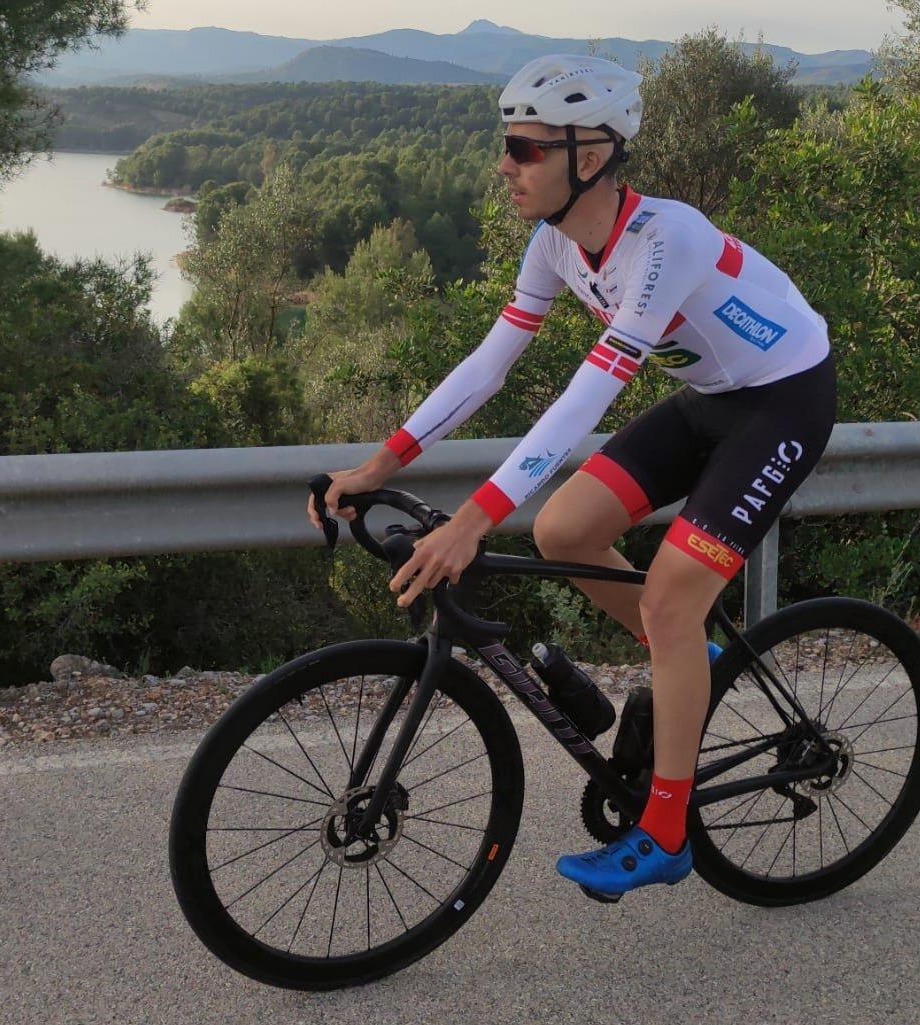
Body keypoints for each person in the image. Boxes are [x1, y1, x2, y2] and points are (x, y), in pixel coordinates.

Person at [307, 54, 836, 899]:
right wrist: (377, 463)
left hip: (782, 400)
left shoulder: (668, 241)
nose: (505, 164)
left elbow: (589, 389)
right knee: (563, 530)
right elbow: (487, 368)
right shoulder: (554, 243)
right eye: (506, 145)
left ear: (587, 156)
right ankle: (689, 661)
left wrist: (476, 515)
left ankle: (665, 833)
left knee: (666, 595)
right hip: (709, 397)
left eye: (524, 148)